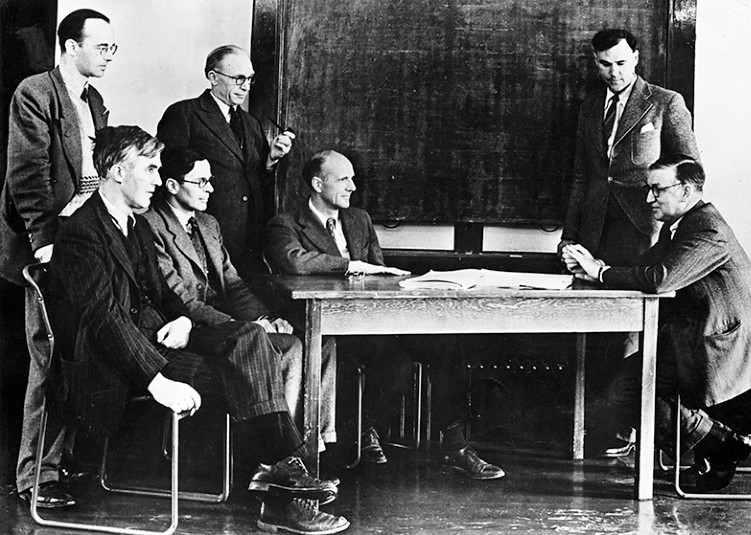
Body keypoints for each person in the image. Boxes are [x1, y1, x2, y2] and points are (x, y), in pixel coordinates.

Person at [49, 126, 348, 534]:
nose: (158, 179)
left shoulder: (132, 224)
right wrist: (156, 381)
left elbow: (165, 296)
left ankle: (279, 473)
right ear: (118, 172)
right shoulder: (81, 231)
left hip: (159, 340)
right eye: (151, 169)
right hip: (115, 366)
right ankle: (282, 494)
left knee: (251, 337)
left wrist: (187, 320)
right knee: (251, 379)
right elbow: (104, 320)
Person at [267, 149, 505, 480]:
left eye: (353, 178)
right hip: (332, 329)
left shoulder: (359, 219)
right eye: (344, 179)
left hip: (375, 321)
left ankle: (456, 446)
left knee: (447, 344)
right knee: (397, 365)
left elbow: (381, 274)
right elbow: (294, 260)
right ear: (317, 183)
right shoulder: (286, 223)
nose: (352, 186)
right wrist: (351, 266)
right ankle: (364, 432)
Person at [563, 154, 751, 492]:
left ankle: (722, 446)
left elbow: (660, 279)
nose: (648, 198)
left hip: (724, 347)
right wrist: (597, 267)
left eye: (657, 190)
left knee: (630, 393)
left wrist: (600, 273)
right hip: (696, 339)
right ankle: (720, 444)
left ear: (686, 191)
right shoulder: (683, 226)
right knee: (625, 390)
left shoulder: (708, 229)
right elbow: (643, 266)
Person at [557, 28, 701, 457]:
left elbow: (689, 170)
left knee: (630, 332)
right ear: (594, 62)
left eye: (621, 62)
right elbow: (584, 178)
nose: (613, 72)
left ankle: (629, 429)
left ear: (636, 58)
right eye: (604, 64)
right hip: (594, 232)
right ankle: (608, 425)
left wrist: (673, 230)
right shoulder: (588, 107)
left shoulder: (665, 102)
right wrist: (569, 235)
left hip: (643, 234)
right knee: (595, 332)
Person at [143, 147, 337, 450]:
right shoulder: (150, 226)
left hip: (229, 326)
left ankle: (305, 448)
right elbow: (179, 300)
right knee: (290, 348)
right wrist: (243, 327)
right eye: (201, 182)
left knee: (312, 343)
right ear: (172, 186)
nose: (210, 188)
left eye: (210, 180)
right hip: (190, 330)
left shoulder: (208, 224)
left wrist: (264, 320)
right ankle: (279, 455)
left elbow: (233, 284)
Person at [0, 8, 116, 507]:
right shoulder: (36, 93)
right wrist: (46, 243)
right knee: (49, 360)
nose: (110, 56)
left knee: (79, 357)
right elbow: (27, 177)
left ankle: (60, 464)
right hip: (46, 246)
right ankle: (35, 479)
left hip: (83, 242)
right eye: (102, 46)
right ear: (71, 46)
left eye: (113, 48)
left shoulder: (93, 99)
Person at [156, 44, 294, 281]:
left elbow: (252, 181)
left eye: (250, 79)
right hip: (203, 236)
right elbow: (169, 176)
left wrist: (270, 160)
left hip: (250, 241)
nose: (246, 87)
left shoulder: (251, 124)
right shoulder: (184, 114)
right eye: (239, 79)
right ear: (213, 77)